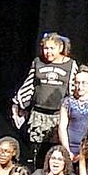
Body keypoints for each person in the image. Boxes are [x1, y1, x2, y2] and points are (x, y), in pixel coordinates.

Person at [13, 33, 76, 165]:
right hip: (39, 115)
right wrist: (20, 103)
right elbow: (29, 85)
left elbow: (73, 89)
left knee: (55, 152)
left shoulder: (70, 64)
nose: (48, 52)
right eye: (46, 48)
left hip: (58, 115)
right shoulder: (37, 62)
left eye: (52, 48)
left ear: (60, 48)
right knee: (37, 152)